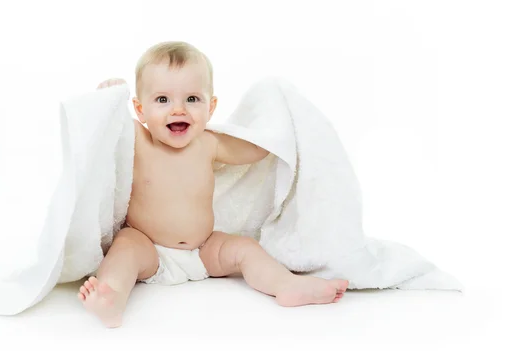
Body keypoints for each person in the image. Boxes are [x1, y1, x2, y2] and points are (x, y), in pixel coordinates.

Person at [78, 41, 349, 328]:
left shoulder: (209, 143)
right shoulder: (138, 139)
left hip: (203, 249)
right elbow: (107, 127)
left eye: (192, 99)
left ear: (211, 106)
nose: (178, 110)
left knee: (244, 248)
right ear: (140, 109)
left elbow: (256, 151)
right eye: (162, 100)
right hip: (149, 247)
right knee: (124, 249)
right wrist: (109, 97)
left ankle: (285, 285)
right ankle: (111, 299)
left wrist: (279, 129)